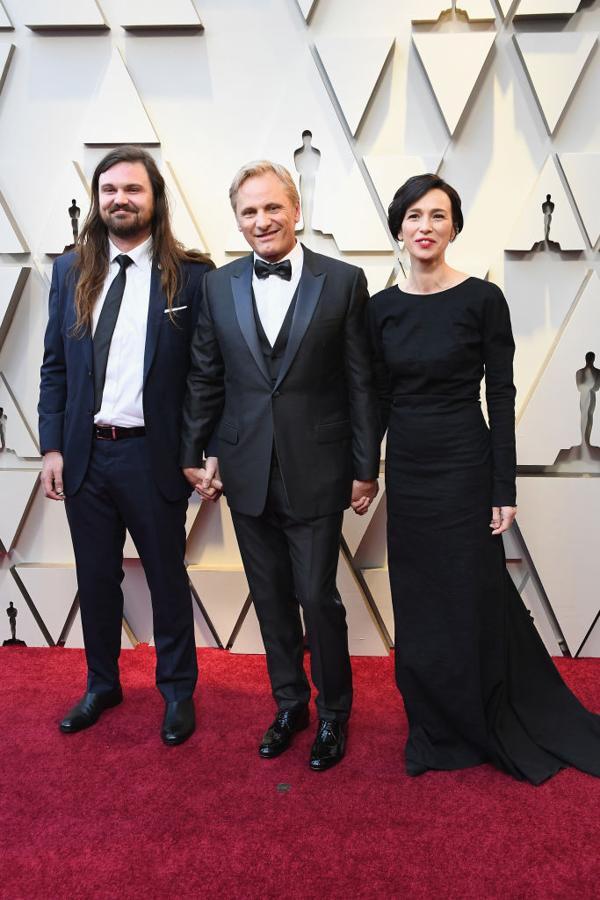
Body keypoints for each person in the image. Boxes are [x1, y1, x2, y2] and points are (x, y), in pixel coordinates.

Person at [369, 173, 600, 785]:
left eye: (438, 216)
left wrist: (505, 487)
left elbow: (501, 395)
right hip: (410, 472)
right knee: (417, 600)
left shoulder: (481, 299)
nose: (425, 226)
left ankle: (481, 712)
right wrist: (367, 473)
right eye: (414, 215)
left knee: (469, 594)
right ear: (398, 226)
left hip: (466, 467)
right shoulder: (380, 308)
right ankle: (434, 727)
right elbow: (374, 397)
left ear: (454, 228)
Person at [181, 160, 380, 771]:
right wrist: (194, 452)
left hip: (318, 468)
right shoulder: (219, 285)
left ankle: (334, 715)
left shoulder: (344, 281)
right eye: (249, 211)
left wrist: (365, 465)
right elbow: (206, 375)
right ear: (237, 220)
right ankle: (289, 704)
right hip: (244, 468)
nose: (262, 220)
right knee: (269, 596)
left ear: (297, 211)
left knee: (318, 598)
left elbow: (361, 383)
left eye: (272, 208)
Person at [38, 145, 213, 745]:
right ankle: (101, 684)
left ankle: (177, 692)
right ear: (97, 199)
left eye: (132, 189)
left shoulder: (193, 275)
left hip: (154, 456)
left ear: (155, 199)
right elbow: (54, 366)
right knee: (96, 579)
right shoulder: (70, 270)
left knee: (166, 577)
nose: (120, 199)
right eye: (109, 189)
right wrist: (53, 447)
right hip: (86, 454)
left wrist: (201, 450)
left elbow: (204, 376)